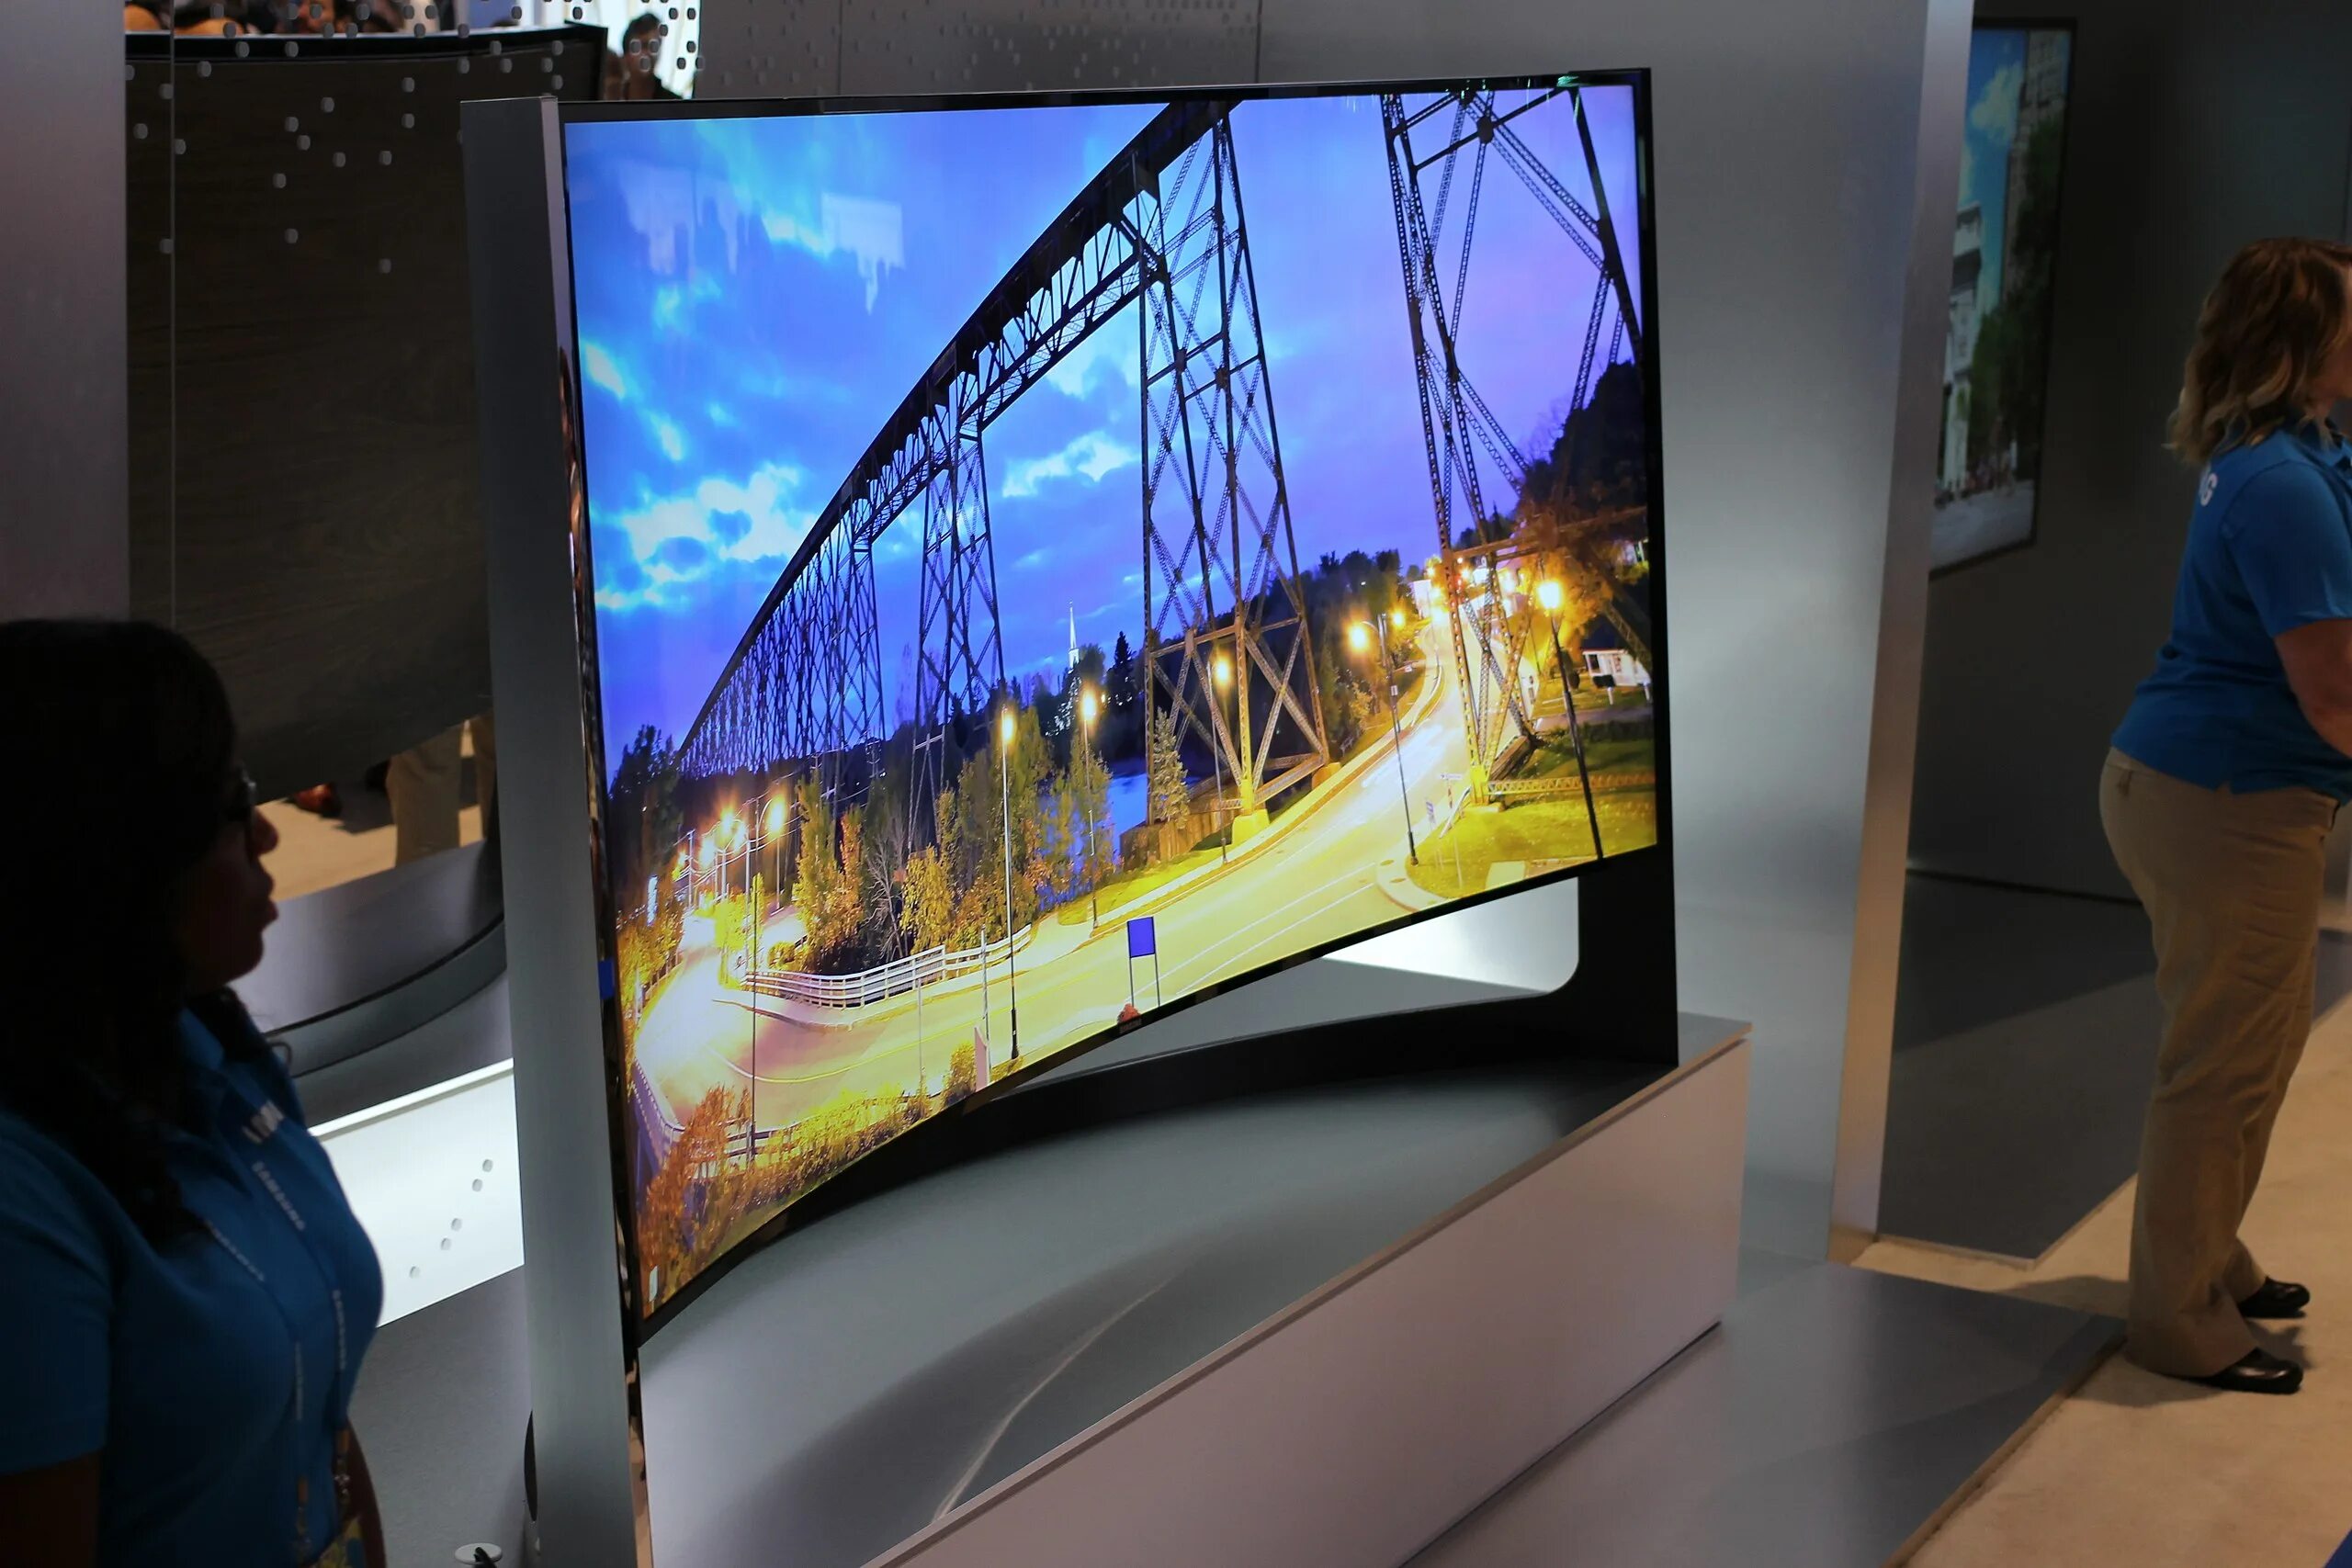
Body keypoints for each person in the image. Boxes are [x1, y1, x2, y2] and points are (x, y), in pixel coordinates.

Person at [0, 621, 388, 1562]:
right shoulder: (22, 1203)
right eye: (232, 801)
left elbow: (321, 1420)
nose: (267, 832)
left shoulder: (210, 1045)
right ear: (121, 860)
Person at [2103, 236, 2352, 1395]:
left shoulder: (2296, 449)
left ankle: (2207, 1255)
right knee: (2221, 1068)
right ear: (2305, 339)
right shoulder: (2280, 485)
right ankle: (2176, 1317)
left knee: (2258, 1045)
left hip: (2210, 792)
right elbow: (2333, 696)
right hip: (2225, 804)